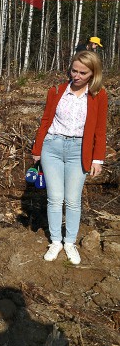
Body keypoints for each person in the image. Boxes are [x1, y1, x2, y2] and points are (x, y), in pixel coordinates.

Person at [31, 50, 108, 265]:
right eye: (74, 70)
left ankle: (69, 242)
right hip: (52, 147)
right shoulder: (56, 90)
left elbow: (100, 130)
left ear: (93, 74)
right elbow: (45, 121)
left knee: (73, 200)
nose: (76, 75)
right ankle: (55, 241)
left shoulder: (98, 95)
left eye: (83, 72)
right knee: (55, 198)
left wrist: (97, 159)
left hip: (79, 150)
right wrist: (37, 149)